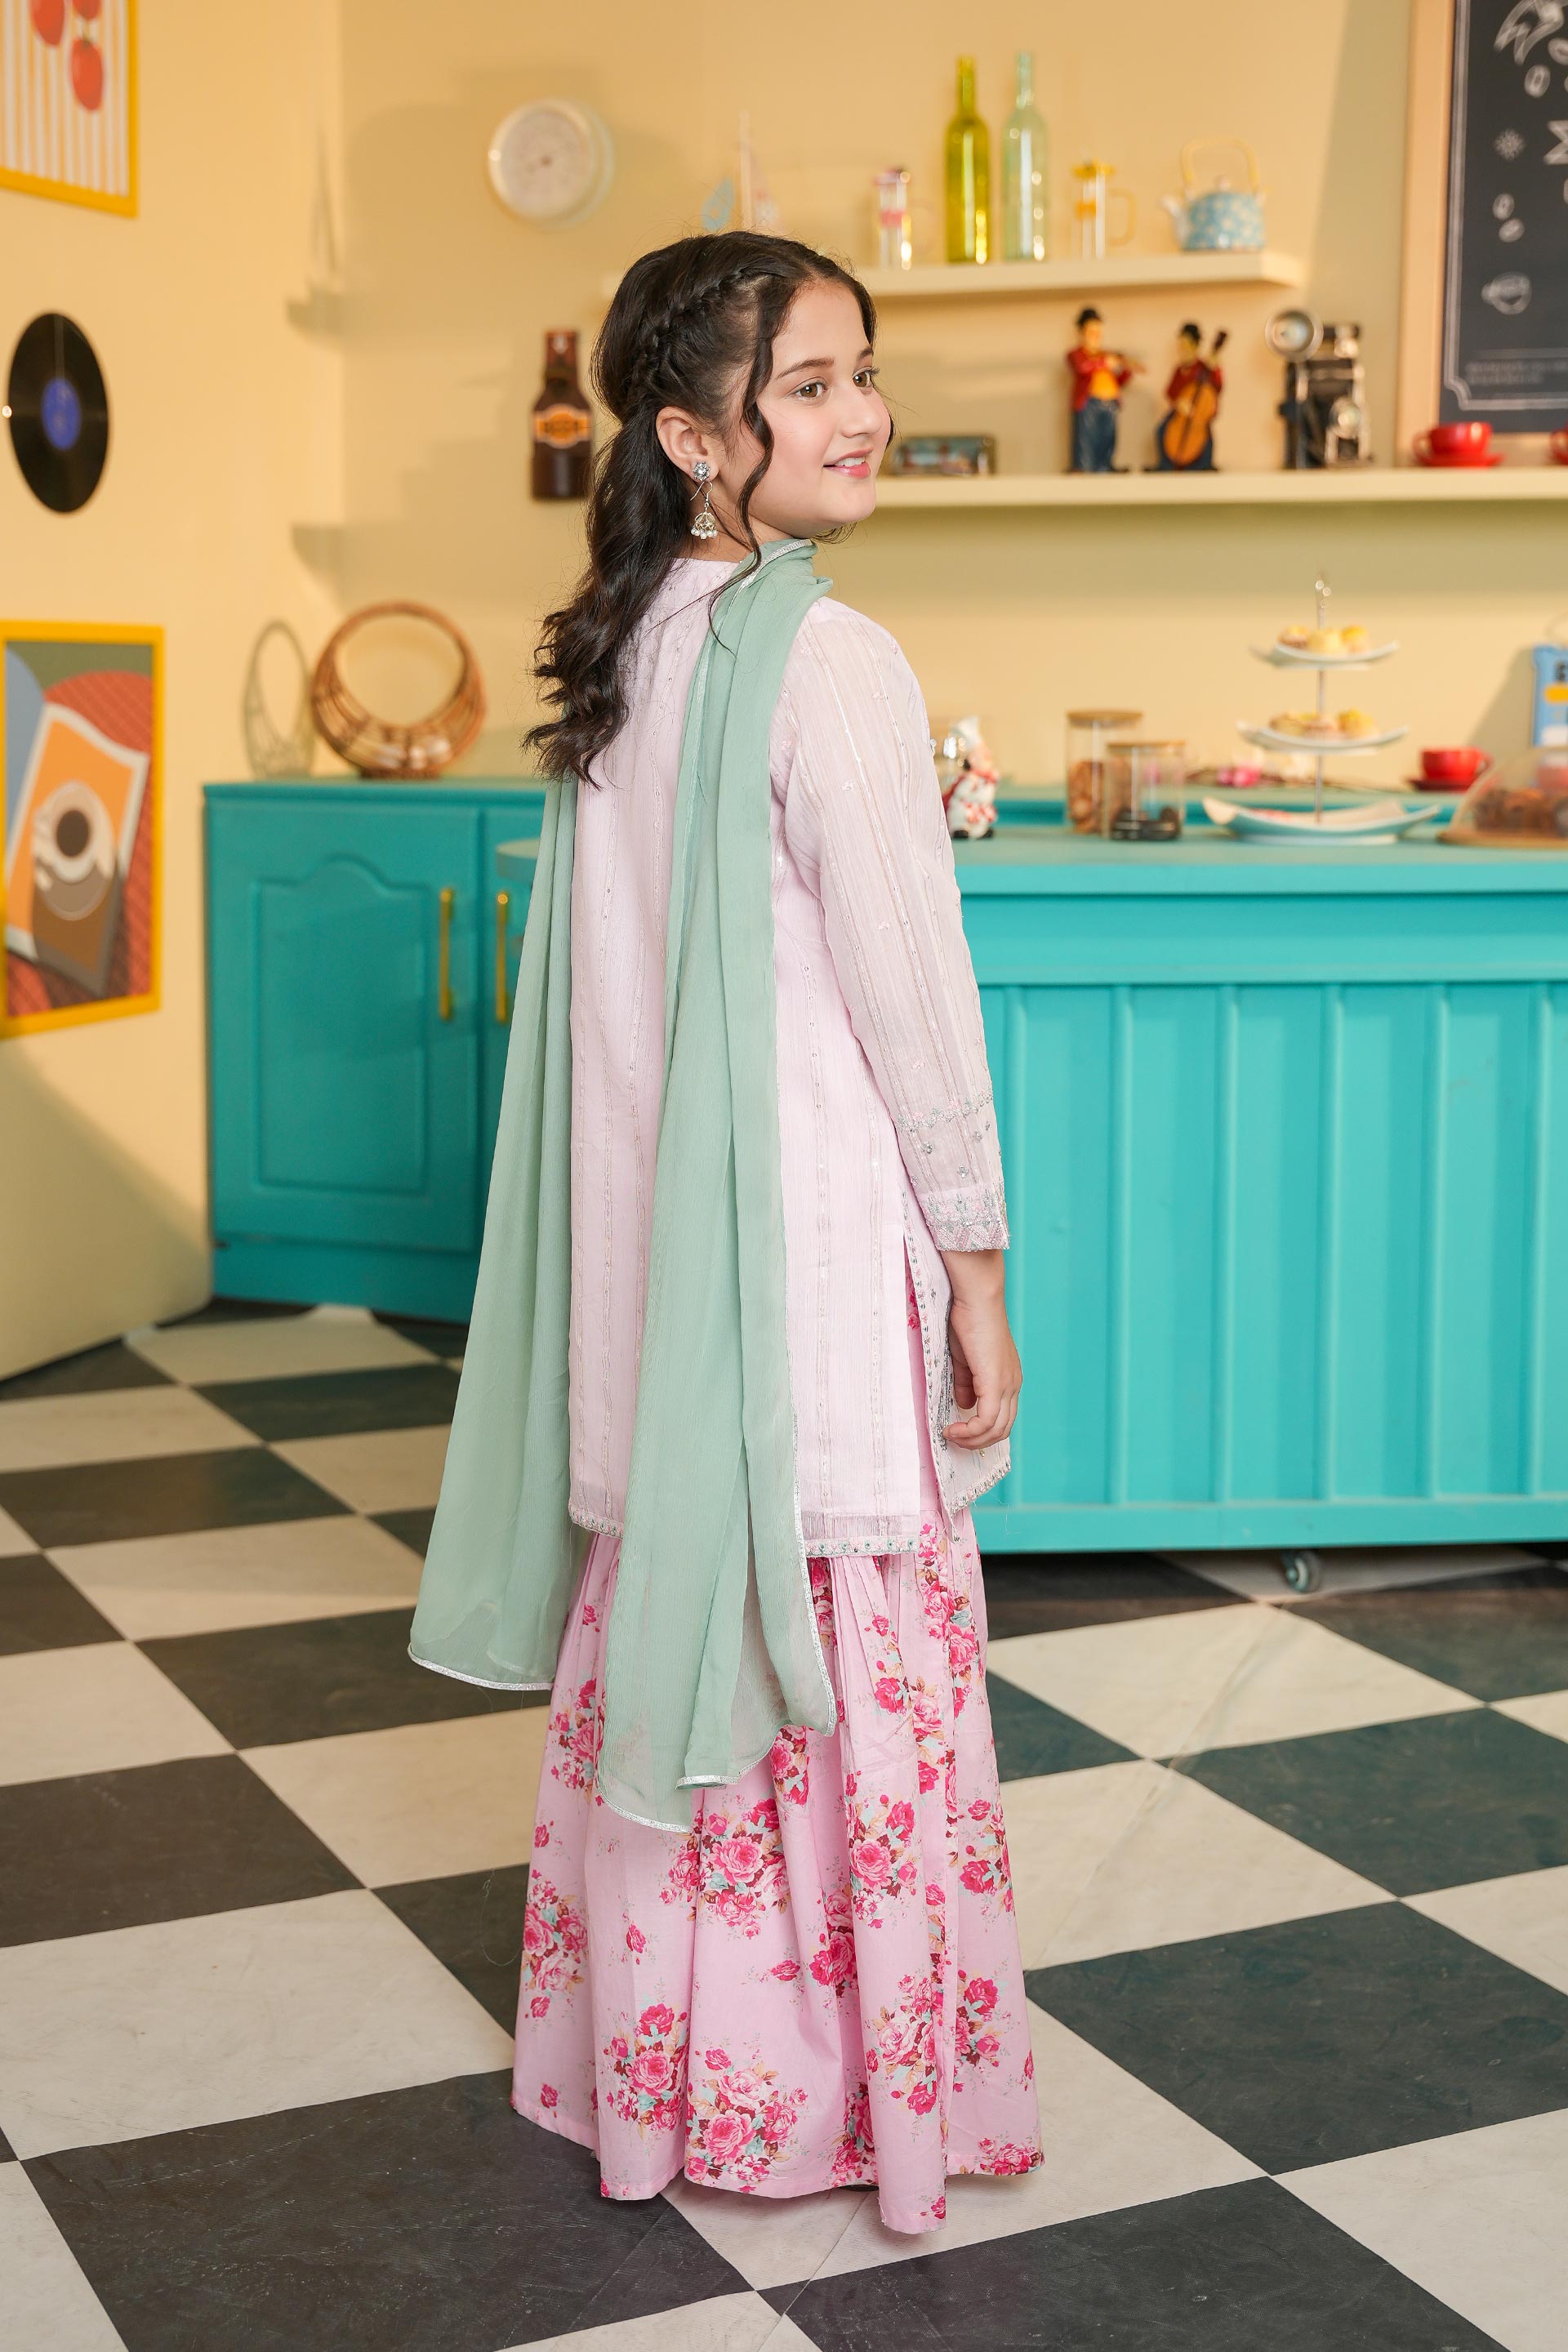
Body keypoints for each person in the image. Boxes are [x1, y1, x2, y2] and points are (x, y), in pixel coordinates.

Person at [408, 231, 1041, 2235]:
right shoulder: (828, 657)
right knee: (845, 1675)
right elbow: (912, 1010)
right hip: (809, 1285)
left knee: (679, 1668)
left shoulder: (628, 651)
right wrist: (977, 1270)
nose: (865, 416)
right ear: (695, 437)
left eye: (866, 372)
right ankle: (853, 2112)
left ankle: (662, 2093)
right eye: (812, 384)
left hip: (657, 1294)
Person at [1065, 305, 1140, 472]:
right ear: (1082, 333)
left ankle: (1105, 466)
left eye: (1098, 333)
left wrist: (1126, 367)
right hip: (1090, 404)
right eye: (1091, 332)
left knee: (1108, 438)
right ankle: (1084, 468)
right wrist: (1105, 363)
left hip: (1110, 403)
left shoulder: (1106, 355)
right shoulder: (1077, 355)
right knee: (1087, 440)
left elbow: (1119, 380)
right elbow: (1082, 368)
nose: (1096, 337)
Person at [1153, 321, 1223, 470]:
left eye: (1187, 345)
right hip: (1180, 412)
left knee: (1206, 438)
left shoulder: (1204, 368)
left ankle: (1204, 464)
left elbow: (1217, 387)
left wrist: (1215, 368)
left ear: (1195, 346)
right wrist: (1179, 402)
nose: (1183, 350)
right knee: (1162, 429)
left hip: (1199, 414)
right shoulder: (1179, 370)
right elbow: (1170, 391)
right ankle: (1166, 464)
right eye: (1181, 346)